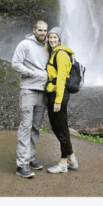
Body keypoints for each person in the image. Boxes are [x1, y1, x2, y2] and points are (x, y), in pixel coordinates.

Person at [10, 19, 50, 178]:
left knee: (35, 127)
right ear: (34, 30)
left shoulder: (47, 46)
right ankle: (22, 165)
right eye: (40, 30)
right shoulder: (24, 44)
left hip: (43, 92)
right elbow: (15, 64)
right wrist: (35, 74)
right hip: (28, 90)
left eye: (45, 30)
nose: (43, 33)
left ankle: (31, 157)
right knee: (25, 127)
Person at [44, 26, 78, 173]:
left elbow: (61, 80)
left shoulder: (61, 55)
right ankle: (72, 158)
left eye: (55, 37)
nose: (52, 39)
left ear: (59, 39)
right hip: (54, 94)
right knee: (58, 127)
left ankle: (63, 162)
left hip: (60, 94)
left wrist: (58, 101)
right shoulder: (54, 53)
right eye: (50, 37)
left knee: (61, 128)